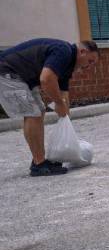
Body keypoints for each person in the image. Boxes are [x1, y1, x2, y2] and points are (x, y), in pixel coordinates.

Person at [0, 38, 99, 176]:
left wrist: (66, 123)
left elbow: (63, 95)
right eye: (90, 61)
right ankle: (38, 164)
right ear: (82, 52)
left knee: (38, 111)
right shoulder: (63, 52)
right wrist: (58, 103)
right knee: (33, 113)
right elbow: (46, 79)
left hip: (21, 77)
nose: (89, 67)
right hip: (6, 72)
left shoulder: (68, 66)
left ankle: (39, 160)